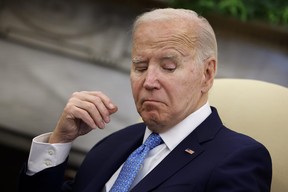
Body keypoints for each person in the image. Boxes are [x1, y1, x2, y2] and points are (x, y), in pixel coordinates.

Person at [17, 8, 272, 192]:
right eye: (140, 66)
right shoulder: (113, 144)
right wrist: (59, 142)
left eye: (169, 67)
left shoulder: (239, 158)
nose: (149, 81)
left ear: (207, 74)